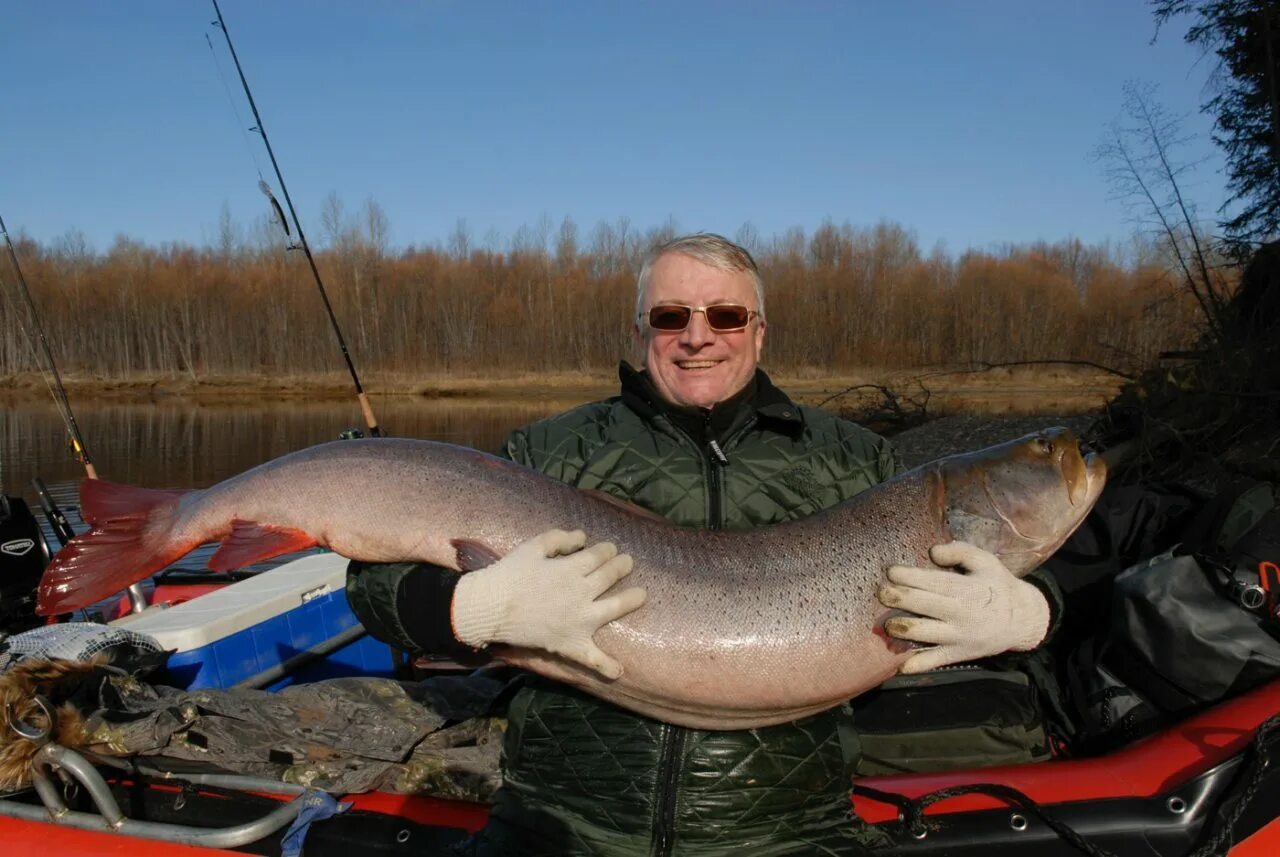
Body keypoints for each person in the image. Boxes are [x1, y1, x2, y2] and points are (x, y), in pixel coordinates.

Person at [347, 233, 1062, 855]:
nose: (697, 336)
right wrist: (471, 607)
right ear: (640, 331)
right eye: (670, 316)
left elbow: (1049, 587)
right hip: (563, 827)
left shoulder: (854, 463)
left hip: (793, 831)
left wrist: (1030, 614)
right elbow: (371, 587)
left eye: (725, 315)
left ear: (759, 332)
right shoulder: (548, 454)